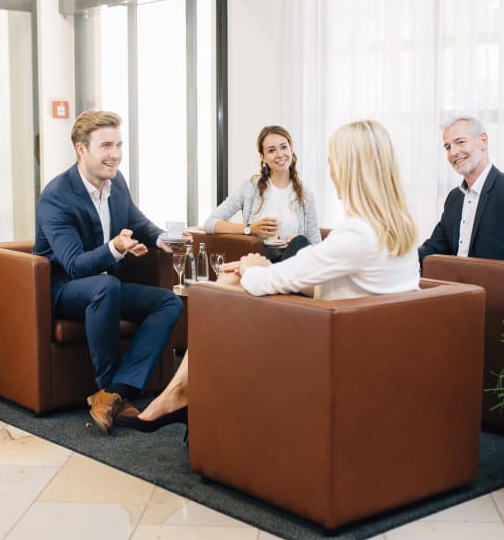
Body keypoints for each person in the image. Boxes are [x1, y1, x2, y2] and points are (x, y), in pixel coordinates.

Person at [121, 119, 419, 429]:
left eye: (332, 163)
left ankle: (178, 396)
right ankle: (178, 394)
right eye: (271, 150)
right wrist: (255, 246)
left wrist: (252, 267)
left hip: (332, 337)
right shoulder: (399, 229)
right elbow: (341, 280)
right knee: (230, 282)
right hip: (359, 332)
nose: (331, 171)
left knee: (225, 286)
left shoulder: (355, 234)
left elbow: (291, 268)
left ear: (348, 169)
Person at [34, 110, 183, 434]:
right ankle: (108, 386)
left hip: (106, 286)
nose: (115, 154)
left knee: (169, 302)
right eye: (106, 146)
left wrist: (162, 239)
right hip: (63, 288)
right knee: (108, 286)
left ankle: (114, 391)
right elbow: (74, 265)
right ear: (81, 149)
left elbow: (136, 220)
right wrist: (116, 247)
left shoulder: (116, 181)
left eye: (118, 145)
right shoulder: (56, 196)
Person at [418, 115, 504, 265]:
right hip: (454, 280)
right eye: (448, 147)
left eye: (460, 142)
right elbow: (435, 247)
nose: (453, 152)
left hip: (496, 281)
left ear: (482, 141)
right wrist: (401, 260)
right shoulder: (454, 198)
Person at [201, 125, 321, 260]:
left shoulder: (306, 195)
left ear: (291, 149)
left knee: (300, 241)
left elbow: (316, 245)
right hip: (262, 261)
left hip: (292, 261)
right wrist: (250, 228)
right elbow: (210, 223)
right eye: (272, 150)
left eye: (283, 147)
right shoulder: (250, 187)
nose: (280, 154)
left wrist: (293, 243)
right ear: (262, 157)